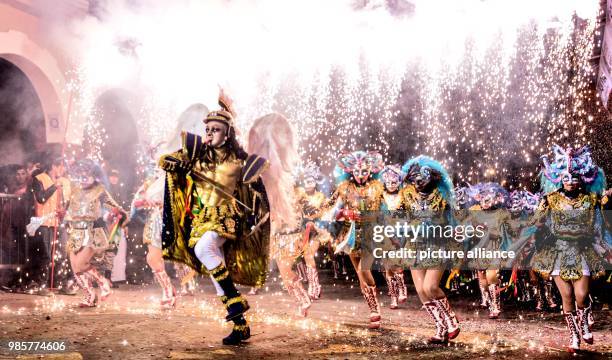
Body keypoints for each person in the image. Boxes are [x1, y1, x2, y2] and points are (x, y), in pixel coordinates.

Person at [159, 89, 297, 345]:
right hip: (201, 219)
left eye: (216, 129)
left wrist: (257, 217)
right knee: (213, 267)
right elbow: (166, 160)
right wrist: (172, 164)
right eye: (208, 129)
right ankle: (240, 324)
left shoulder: (240, 160)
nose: (210, 133)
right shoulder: (196, 156)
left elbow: (258, 195)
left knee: (204, 247)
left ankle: (236, 302)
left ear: (228, 133)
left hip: (227, 218)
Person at [530, 145, 609, 353]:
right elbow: (537, 221)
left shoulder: (589, 199)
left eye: (575, 178)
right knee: (567, 298)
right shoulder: (551, 198)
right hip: (558, 252)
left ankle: (584, 322)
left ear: (581, 178)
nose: (571, 182)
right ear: (559, 178)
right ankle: (574, 335)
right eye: (566, 178)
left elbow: (601, 219)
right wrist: (539, 213)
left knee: (581, 295)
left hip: (581, 251)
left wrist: (606, 198)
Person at [320, 150, 386, 329]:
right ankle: (372, 309)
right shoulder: (345, 188)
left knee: (364, 269)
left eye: (364, 171)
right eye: (357, 172)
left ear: (370, 170)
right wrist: (345, 213)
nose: (360, 175)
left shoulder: (378, 187)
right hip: (350, 236)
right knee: (359, 273)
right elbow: (330, 212)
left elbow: (387, 210)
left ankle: (376, 310)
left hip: (370, 234)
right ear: (351, 172)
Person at [398, 156, 460, 343]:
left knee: (430, 287)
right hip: (414, 246)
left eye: (423, 176)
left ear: (432, 177)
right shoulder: (406, 195)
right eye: (415, 176)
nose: (419, 180)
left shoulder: (442, 197)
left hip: (437, 245)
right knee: (421, 291)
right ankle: (440, 329)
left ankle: (452, 321)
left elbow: (452, 223)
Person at [65, 160, 127, 307]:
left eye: (86, 175)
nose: (83, 178)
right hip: (76, 232)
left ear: (94, 176)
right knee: (75, 266)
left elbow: (116, 208)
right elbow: (68, 210)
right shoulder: (74, 190)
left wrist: (119, 214)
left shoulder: (100, 191)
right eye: (80, 175)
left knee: (81, 263)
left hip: (93, 232)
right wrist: (62, 214)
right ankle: (90, 296)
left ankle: (103, 283)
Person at [30, 157, 71, 295]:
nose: (63, 170)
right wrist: (54, 186)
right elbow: (41, 198)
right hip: (43, 222)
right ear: (54, 165)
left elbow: (63, 202)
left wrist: (63, 210)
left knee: (62, 254)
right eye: (61, 166)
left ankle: (62, 284)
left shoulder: (63, 182)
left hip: (57, 223)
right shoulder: (39, 179)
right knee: (46, 255)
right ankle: (42, 286)